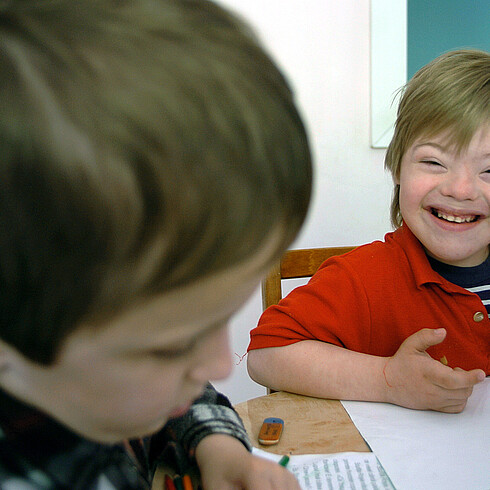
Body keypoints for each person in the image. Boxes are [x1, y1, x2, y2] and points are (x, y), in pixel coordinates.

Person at [0, 0, 312, 488]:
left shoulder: (87, 378)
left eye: (220, 320)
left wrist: (219, 446)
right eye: (171, 347)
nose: (217, 363)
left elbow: (180, 400)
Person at [247, 49, 489, 414]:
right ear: (396, 168)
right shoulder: (363, 278)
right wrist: (387, 379)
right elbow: (266, 354)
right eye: (434, 162)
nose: (460, 189)